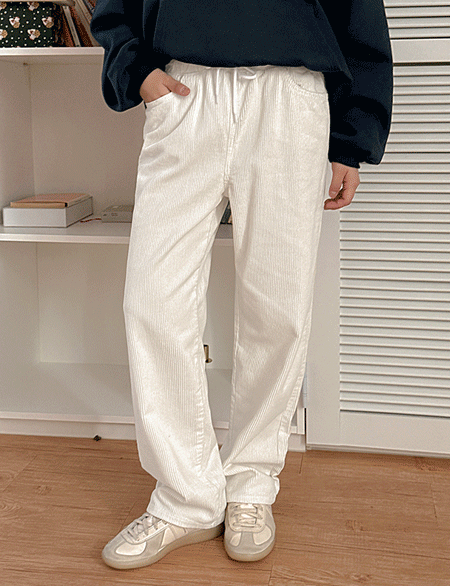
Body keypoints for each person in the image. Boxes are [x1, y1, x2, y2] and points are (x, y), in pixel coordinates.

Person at [90, 0, 393, 569]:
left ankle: (251, 484)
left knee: (278, 308)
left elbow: (359, 12)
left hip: (291, 94)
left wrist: (352, 139)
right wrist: (135, 69)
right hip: (186, 92)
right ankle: (185, 497)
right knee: (152, 301)